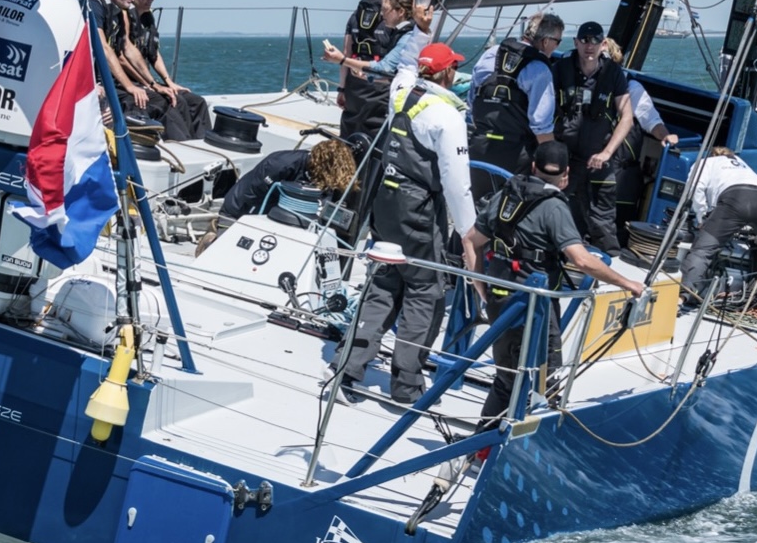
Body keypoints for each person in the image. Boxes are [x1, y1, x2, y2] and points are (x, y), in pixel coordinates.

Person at [463, 141, 647, 426]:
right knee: (540, 377)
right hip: (533, 307)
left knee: (508, 375)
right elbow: (581, 260)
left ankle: (488, 438)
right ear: (566, 174)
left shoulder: (505, 195)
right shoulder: (554, 208)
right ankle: (506, 438)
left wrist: (482, 290)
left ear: (533, 166)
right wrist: (628, 283)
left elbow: (469, 241)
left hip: (499, 299)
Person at [340, 43, 476, 404]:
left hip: (385, 201)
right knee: (425, 291)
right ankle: (407, 386)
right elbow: (457, 183)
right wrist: (468, 234)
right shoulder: (448, 117)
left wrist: (420, 30)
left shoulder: (400, 93)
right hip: (419, 211)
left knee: (383, 283)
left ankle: (347, 368)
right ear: (447, 73)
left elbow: (403, 66)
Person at [678, 147, 757, 322]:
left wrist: (702, 217)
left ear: (713, 154)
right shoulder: (743, 165)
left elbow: (695, 187)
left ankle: (681, 297)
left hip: (734, 199)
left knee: (702, 251)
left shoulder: (706, 162)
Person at [549, 21, 636, 252]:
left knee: (603, 220)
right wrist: (553, 153)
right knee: (553, 209)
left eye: (595, 40)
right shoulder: (560, 69)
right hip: (566, 160)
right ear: (575, 42)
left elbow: (627, 117)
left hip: (598, 160)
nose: (590, 45)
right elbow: (542, 110)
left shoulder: (614, 73)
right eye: (584, 40)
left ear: (603, 44)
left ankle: (610, 262)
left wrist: (607, 153)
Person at [468, 12, 563, 200]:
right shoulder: (539, 69)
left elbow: (471, 104)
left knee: (478, 207)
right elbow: (541, 126)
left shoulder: (490, 54)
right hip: (515, 155)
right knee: (512, 209)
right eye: (557, 42)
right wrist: (555, 163)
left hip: (480, 148)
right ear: (545, 42)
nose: (556, 47)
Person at [200, 139, 358, 246]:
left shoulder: (323, 176)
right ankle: (211, 239)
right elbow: (254, 195)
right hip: (241, 208)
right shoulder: (280, 163)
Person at [601, 37, 679, 244]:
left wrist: (665, 136)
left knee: (617, 227)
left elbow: (651, 121)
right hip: (591, 165)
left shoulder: (631, 88)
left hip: (621, 173)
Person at [126, 0, 212, 140]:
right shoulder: (125, 19)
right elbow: (123, 58)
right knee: (175, 101)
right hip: (134, 81)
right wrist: (150, 84)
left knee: (197, 102)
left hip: (148, 80)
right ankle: (184, 143)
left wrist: (168, 81)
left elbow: (154, 53)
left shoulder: (148, 19)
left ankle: (202, 142)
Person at [337, 0, 407, 143]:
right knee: (376, 139)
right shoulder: (394, 16)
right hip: (381, 87)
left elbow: (346, 52)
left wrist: (342, 89)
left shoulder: (356, 14)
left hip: (354, 85)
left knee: (349, 135)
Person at [322, 0, 422, 95]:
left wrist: (342, 60)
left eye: (385, 10)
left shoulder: (408, 36)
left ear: (401, 12)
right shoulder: (401, 32)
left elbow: (384, 68)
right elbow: (393, 75)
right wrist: (367, 76)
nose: (382, 14)